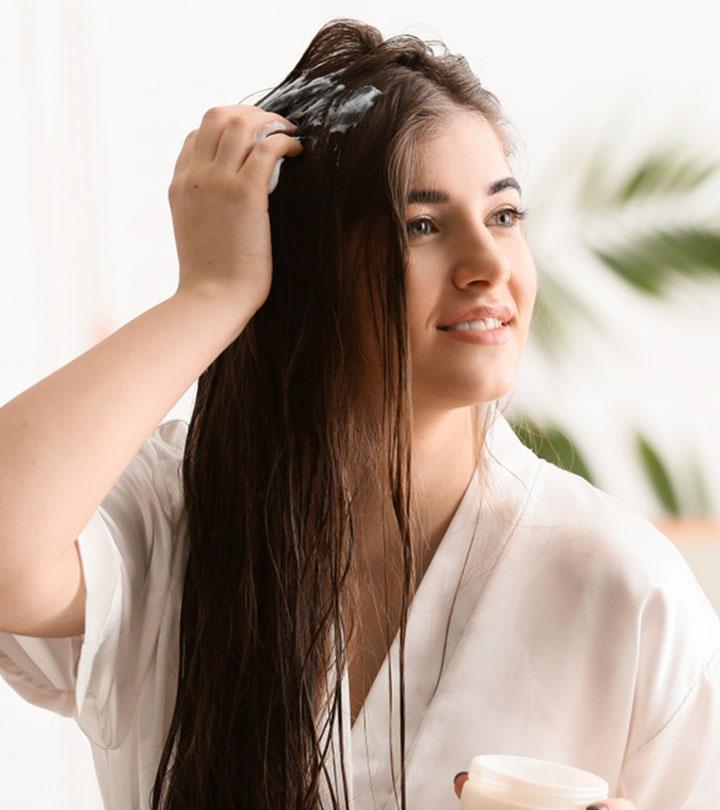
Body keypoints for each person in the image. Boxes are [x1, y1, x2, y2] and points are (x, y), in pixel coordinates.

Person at [0, 16, 717, 810]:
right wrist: (212, 294)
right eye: (423, 226)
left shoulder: (621, 587)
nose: (488, 266)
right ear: (300, 267)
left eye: (504, 216)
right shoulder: (169, 518)